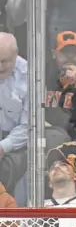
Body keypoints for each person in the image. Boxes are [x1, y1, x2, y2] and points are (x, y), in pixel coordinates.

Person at [0, 32, 27, 195]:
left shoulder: (31, 75)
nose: (0, 66)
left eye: (5, 61)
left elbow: (30, 124)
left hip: (17, 143)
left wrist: (3, 147)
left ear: (16, 55)